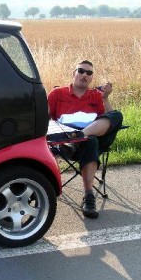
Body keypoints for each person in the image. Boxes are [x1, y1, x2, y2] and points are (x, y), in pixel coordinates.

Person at [47, 60, 123, 219]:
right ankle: (89, 196)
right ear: (73, 73)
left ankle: (80, 137)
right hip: (65, 142)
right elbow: (45, 120)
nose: (84, 75)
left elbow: (109, 120)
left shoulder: (96, 95)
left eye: (89, 73)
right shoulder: (57, 94)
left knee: (117, 115)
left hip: (89, 138)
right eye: (81, 71)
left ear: (91, 78)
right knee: (91, 141)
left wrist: (106, 98)